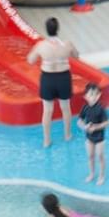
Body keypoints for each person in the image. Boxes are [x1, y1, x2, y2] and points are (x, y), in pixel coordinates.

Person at [27, 17, 79, 147]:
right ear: (58, 29)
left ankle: (46, 140)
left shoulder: (41, 45)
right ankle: (67, 135)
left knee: (47, 110)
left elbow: (30, 60)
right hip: (63, 78)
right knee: (65, 108)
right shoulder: (67, 44)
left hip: (48, 78)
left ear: (46, 30)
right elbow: (76, 56)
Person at [78, 83, 109, 185]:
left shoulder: (100, 108)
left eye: (96, 94)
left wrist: (96, 127)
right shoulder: (85, 108)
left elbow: (107, 122)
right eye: (91, 95)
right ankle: (92, 173)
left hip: (100, 137)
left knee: (100, 156)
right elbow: (79, 121)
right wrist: (85, 127)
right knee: (90, 156)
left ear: (99, 95)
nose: (94, 97)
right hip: (89, 137)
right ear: (85, 96)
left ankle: (101, 175)